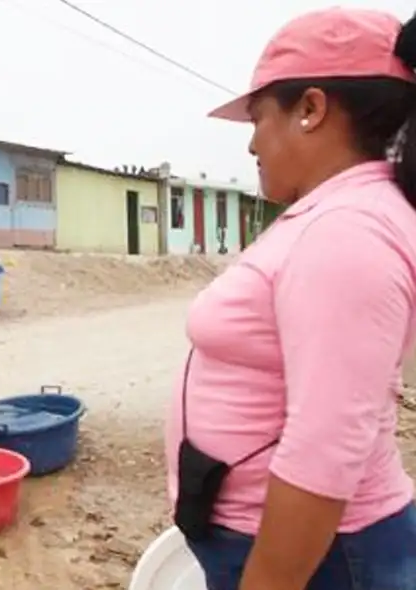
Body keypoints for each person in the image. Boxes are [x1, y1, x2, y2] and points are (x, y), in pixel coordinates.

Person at [165, 8, 416, 589]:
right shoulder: (333, 214)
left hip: (324, 560)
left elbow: (323, 453)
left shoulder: (348, 233)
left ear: (310, 108)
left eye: (257, 118)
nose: (252, 143)